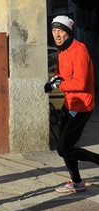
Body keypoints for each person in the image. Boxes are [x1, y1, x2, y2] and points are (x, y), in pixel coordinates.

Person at [45, 15, 99, 193]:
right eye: (54, 30)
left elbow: (81, 83)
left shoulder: (79, 50)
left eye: (60, 31)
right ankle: (76, 182)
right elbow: (60, 72)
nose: (57, 34)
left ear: (68, 32)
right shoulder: (62, 50)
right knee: (65, 145)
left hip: (82, 107)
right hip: (68, 104)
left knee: (63, 148)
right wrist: (54, 79)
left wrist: (59, 85)